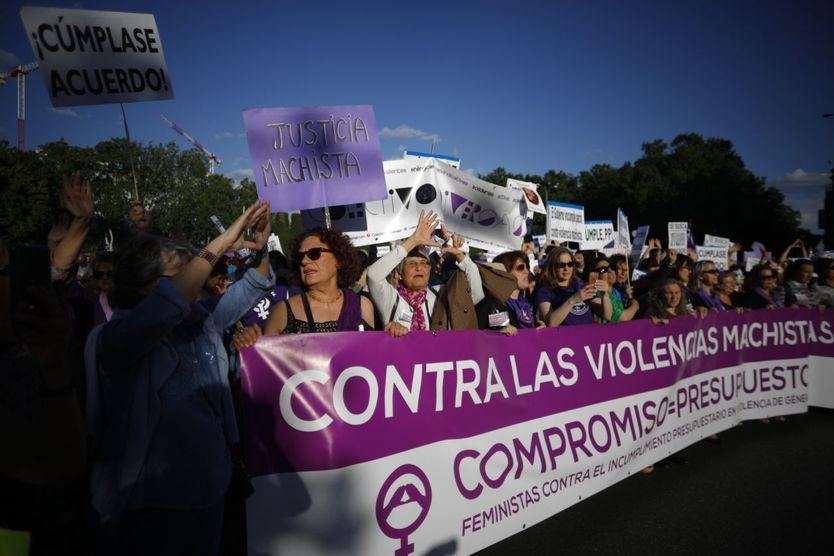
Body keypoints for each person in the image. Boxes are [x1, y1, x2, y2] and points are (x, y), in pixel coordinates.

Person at [85, 201, 275, 555]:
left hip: (211, 490)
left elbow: (253, 285)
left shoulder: (199, 320)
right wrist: (221, 241)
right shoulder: (121, 336)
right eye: (184, 274)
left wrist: (261, 249)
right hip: (154, 505)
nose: (198, 281)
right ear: (148, 285)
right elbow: (168, 304)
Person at [236, 228, 375, 340]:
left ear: (338, 260)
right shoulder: (282, 312)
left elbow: (372, 356)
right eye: (300, 257)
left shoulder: (362, 305)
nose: (305, 261)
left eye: (314, 253)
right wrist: (250, 343)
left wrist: (388, 335)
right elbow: (267, 363)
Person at [367, 210, 483, 336]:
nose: (419, 268)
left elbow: (475, 295)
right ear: (399, 273)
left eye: (424, 263)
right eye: (411, 264)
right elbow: (373, 275)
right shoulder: (390, 297)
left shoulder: (440, 293)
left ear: (429, 270)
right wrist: (414, 241)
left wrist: (460, 255)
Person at [537, 247, 612, 326]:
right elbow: (551, 323)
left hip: (588, 333)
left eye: (570, 264)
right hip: (564, 334)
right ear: (552, 267)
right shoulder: (545, 291)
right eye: (561, 265)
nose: (566, 268)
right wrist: (573, 300)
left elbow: (607, 316)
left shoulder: (582, 285)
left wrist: (605, 295)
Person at [476, 251, 544, 335]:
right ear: (505, 273)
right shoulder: (495, 303)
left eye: (527, 267)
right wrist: (499, 330)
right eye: (521, 267)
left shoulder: (526, 304)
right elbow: (492, 330)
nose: (527, 271)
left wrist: (537, 328)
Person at [590, 256, 639, 323]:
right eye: (603, 269)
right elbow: (621, 317)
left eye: (612, 267)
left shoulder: (616, 292)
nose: (610, 271)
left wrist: (630, 298)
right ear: (596, 275)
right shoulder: (595, 294)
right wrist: (635, 305)